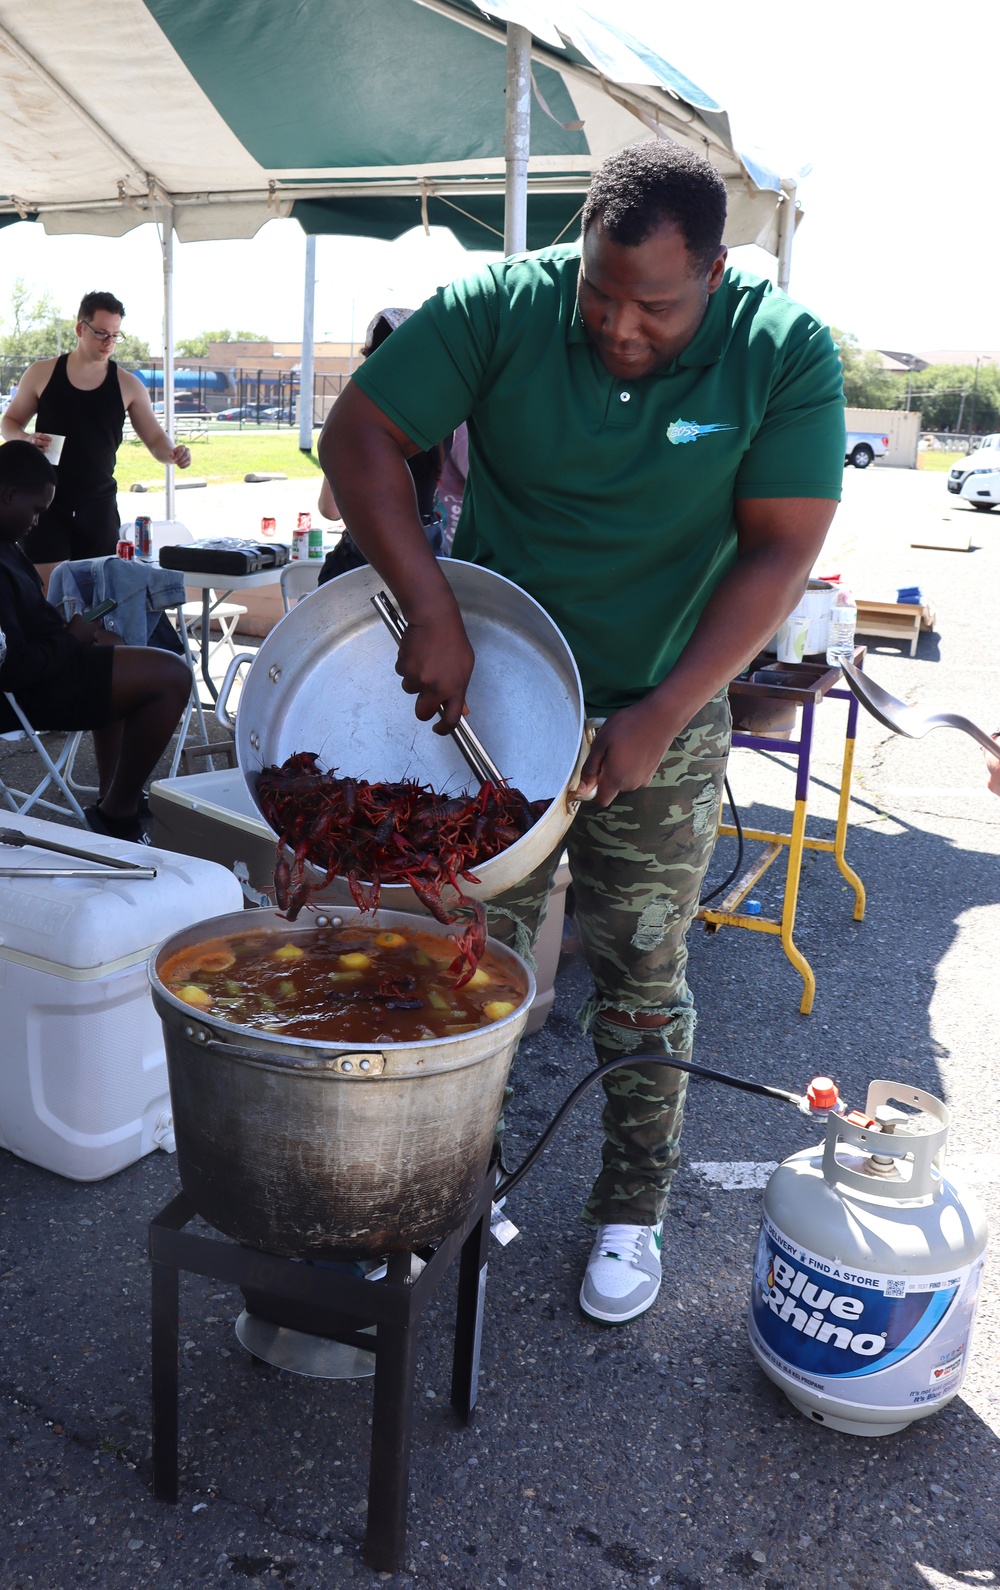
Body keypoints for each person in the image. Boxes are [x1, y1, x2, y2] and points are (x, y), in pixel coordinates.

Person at [319, 142, 845, 1325]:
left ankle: (629, 1207)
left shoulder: (783, 351)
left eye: (653, 305)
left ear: (714, 273)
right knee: (468, 961)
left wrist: (663, 708)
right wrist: (431, 602)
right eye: (599, 294)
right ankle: (455, 1195)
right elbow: (358, 440)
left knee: (642, 969)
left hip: (664, 704)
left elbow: (778, 547)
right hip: (500, 712)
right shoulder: (501, 307)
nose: (617, 327)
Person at [0, 442, 192, 845]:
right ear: (9, 495)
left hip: (44, 669)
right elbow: (12, 667)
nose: (37, 522)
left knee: (115, 648)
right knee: (171, 676)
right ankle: (116, 812)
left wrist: (76, 633)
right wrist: (71, 640)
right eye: (35, 510)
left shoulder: (7, 547)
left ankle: (113, 793)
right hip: (23, 692)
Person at [1, 290, 192, 593]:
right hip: (46, 504)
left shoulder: (128, 384)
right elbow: (8, 423)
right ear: (80, 329)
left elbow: (155, 438)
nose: (109, 343)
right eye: (102, 333)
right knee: (47, 596)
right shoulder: (42, 373)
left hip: (98, 505)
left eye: (115, 335)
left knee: (97, 598)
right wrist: (25, 438)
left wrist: (173, 453)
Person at [316, 309, 447, 582]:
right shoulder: (444, 414)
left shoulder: (356, 417)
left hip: (358, 570)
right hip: (430, 563)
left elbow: (330, 510)